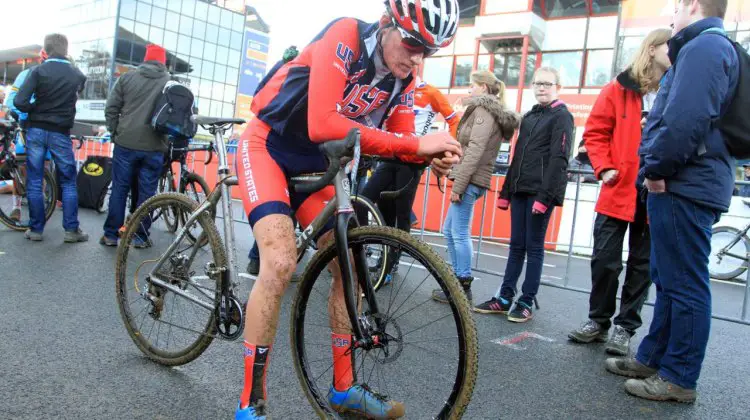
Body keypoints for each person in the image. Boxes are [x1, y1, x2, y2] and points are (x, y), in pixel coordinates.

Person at [234, 1, 463, 418]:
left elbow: (400, 140)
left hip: (314, 163)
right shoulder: (346, 34)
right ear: (386, 22)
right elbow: (322, 123)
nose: (416, 58)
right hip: (268, 145)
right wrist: (415, 147)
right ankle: (250, 403)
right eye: (412, 42)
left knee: (352, 267)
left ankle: (344, 388)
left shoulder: (404, 80)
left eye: (427, 51)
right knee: (282, 260)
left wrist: (430, 156)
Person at [605, 0, 738, 403]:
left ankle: (679, 377)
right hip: (687, 181)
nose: (671, 13)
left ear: (693, 5)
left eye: (677, 5)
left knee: (684, 284)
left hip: (683, 183)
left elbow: (686, 119)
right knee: (669, 280)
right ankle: (654, 358)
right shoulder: (705, 47)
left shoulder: (704, 48)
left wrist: (657, 170)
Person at [568, 28, 672, 356]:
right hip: (618, 187)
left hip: (655, 191)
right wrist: (604, 166)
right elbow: (596, 132)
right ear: (653, 49)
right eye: (672, 45)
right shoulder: (618, 88)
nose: (677, 51)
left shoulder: (678, 88)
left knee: (642, 266)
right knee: (605, 261)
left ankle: (625, 327)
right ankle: (598, 322)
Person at [473, 67, 574, 322]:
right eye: (538, 83)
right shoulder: (528, 117)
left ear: (557, 87)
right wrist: (506, 191)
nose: (542, 87)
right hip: (519, 190)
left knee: (534, 247)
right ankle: (505, 297)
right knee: (516, 246)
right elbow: (517, 157)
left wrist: (545, 197)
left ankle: (526, 300)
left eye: (547, 84)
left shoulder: (562, 117)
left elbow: (559, 160)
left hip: (540, 192)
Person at [356, 70, 462, 285]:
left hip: (413, 162)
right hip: (390, 156)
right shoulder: (395, 88)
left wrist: (445, 150)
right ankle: (376, 255)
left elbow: (454, 120)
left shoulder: (431, 92)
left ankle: (391, 264)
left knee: (401, 214)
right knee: (365, 200)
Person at [431, 70, 519, 303]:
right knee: (449, 230)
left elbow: (475, 151)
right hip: (471, 178)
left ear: (483, 88)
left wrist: (458, 185)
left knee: (458, 232)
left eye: (472, 85)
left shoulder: (483, 112)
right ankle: (458, 281)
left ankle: (461, 284)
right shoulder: (487, 111)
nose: (469, 89)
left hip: (470, 180)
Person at [13, 34, 87, 242]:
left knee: (35, 180)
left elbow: (19, 101)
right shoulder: (76, 74)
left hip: (36, 130)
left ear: (47, 49)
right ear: (66, 49)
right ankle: (71, 230)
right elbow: (80, 84)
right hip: (61, 132)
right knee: (68, 182)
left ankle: (36, 229)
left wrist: (35, 109)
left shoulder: (38, 71)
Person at [101, 44, 171, 247]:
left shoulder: (126, 78)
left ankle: (111, 235)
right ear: (163, 62)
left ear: (145, 59)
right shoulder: (169, 83)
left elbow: (111, 108)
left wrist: (115, 132)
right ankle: (140, 236)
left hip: (126, 142)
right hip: (154, 145)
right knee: (147, 193)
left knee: (120, 189)